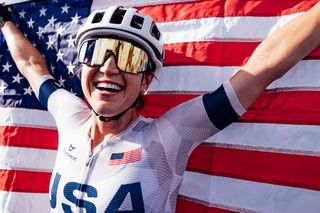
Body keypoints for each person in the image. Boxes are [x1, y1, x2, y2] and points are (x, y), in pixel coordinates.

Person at [1, 2, 320, 212]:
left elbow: (263, 68)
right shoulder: (69, 114)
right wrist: (4, 22)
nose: (109, 67)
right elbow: (31, 66)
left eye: (129, 58)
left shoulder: (168, 136)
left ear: (146, 82)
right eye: (97, 52)